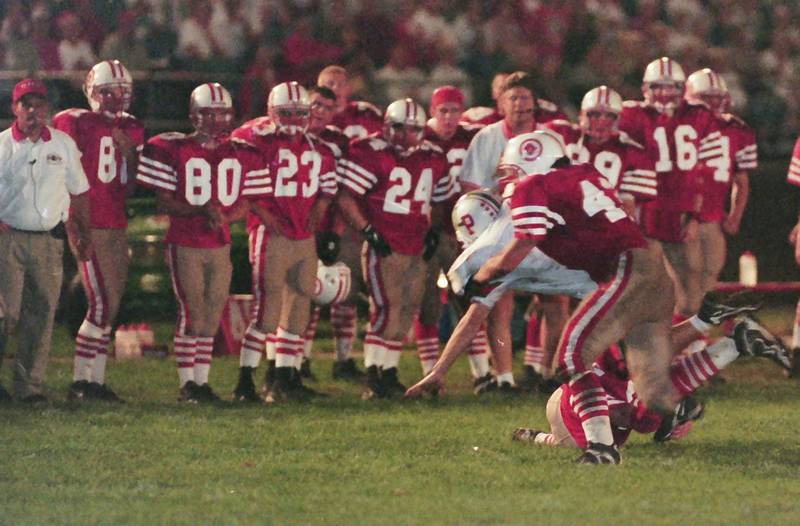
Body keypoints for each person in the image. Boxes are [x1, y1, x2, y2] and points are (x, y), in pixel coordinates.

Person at [136, 83, 270, 403]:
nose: (214, 120)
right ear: (193, 115)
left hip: (219, 242)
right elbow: (164, 203)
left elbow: (248, 201)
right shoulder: (174, 148)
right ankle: (188, 385)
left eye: (221, 113)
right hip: (186, 241)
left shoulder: (242, 152)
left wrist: (225, 217)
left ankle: (202, 382)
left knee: (211, 313)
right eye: (207, 113)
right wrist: (200, 209)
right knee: (192, 309)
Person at [512, 317, 791, 450]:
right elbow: (625, 416)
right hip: (568, 409)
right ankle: (536, 437)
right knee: (586, 443)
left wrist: (669, 413)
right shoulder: (593, 370)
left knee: (651, 403)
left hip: (605, 389)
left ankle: (734, 345)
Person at [336, 98, 456, 398]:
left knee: (405, 311)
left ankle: (388, 372)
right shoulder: (370, 151)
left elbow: (441, 199)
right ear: (387, 127)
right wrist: (367, 230)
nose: (405, 136)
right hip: (386, 244)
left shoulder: (432, 155)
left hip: (416, 243)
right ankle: (374, 374)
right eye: (399, 129)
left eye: (413, 130)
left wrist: (433, 230)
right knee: (386, 310)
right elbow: (347, 197)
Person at [231, 82, 338, 402]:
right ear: (271, 112)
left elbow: (328, 189)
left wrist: (317, 210)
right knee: (267, 309)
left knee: (299, 307)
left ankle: (285, 376)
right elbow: (246, 189)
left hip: (303, 234)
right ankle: (245, 380)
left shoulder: (319, 149)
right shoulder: (255, 141)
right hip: (272, 233)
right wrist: (264, 214)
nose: (293, 119)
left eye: (299, 113)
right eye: (286, 113)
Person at [459, 71, 563, 390]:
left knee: (554, 301)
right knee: (498, 304)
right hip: (501, 230)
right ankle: (504, 377)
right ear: (501, 103)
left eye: (524, 97)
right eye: (513, 97)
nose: (519, 104)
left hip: (541, 229)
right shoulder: (487, 137)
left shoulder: (551, 138)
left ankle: (549, 370)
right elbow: (470, 185)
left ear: (535, 103)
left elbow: (564, 182)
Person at [52, 60, 145, 402]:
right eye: (107, 92)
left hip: (117, 224)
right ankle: (80, 381)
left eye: (122, 92)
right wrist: (74, 227)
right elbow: (63, 179)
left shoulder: (132, 127)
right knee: (101, 304)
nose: (115, 99)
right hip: (88, 222)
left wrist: (129, 153)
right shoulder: (73, 121)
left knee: (111, 305)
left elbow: (131, 187)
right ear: (91, 92)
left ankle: (95, 381)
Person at [0, 79, 92, 403]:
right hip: (7, 239)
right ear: (15, 109)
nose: (33, 111)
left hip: (49, 241)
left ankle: (29, 388)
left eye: (39, 104)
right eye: (26, 104)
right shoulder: (1, 146)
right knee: (5, 314)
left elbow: (79, 191)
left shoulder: (63, 144)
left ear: (47, 109)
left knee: (41, 313)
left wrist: (82, 231)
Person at [618, 57, 725, 325]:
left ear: (683, 88)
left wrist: (696, 215)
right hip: (644, 210)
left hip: (680, 211)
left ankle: (686, 347)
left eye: (672, 87)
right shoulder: (631, 115)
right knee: (642, 284)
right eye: (658, 87)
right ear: (645, 89)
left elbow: (702, 172)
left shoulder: (699, 115)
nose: (665, 94)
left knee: (691, 287)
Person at [415, 85, 491, 384]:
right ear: (432, 111)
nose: (448, 117)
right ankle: (429, 372)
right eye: (442, 110)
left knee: (471, 301)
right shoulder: (420, 137)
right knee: (427, 304)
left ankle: (482, 373)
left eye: (454, 111)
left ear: (463, 112)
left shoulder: (472, 136)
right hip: (430, 232)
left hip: (466, 234)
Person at [685, 69, 756, 301]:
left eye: (717, 97)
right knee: (684, 280)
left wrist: (735, 215)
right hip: (681, 217)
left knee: (708, 280)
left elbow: (741, 181)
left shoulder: (736, 129)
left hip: (713, 218)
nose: (714, 103)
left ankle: (695, 334)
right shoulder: (678, 127)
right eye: (707, 97)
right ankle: (676, 331)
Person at [317, 64, 383, 140]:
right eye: (330, 84)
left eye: (341, 84)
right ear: (319, 91)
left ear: (349, 88)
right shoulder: (318, 121)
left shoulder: (366, 112)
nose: (336, 88)